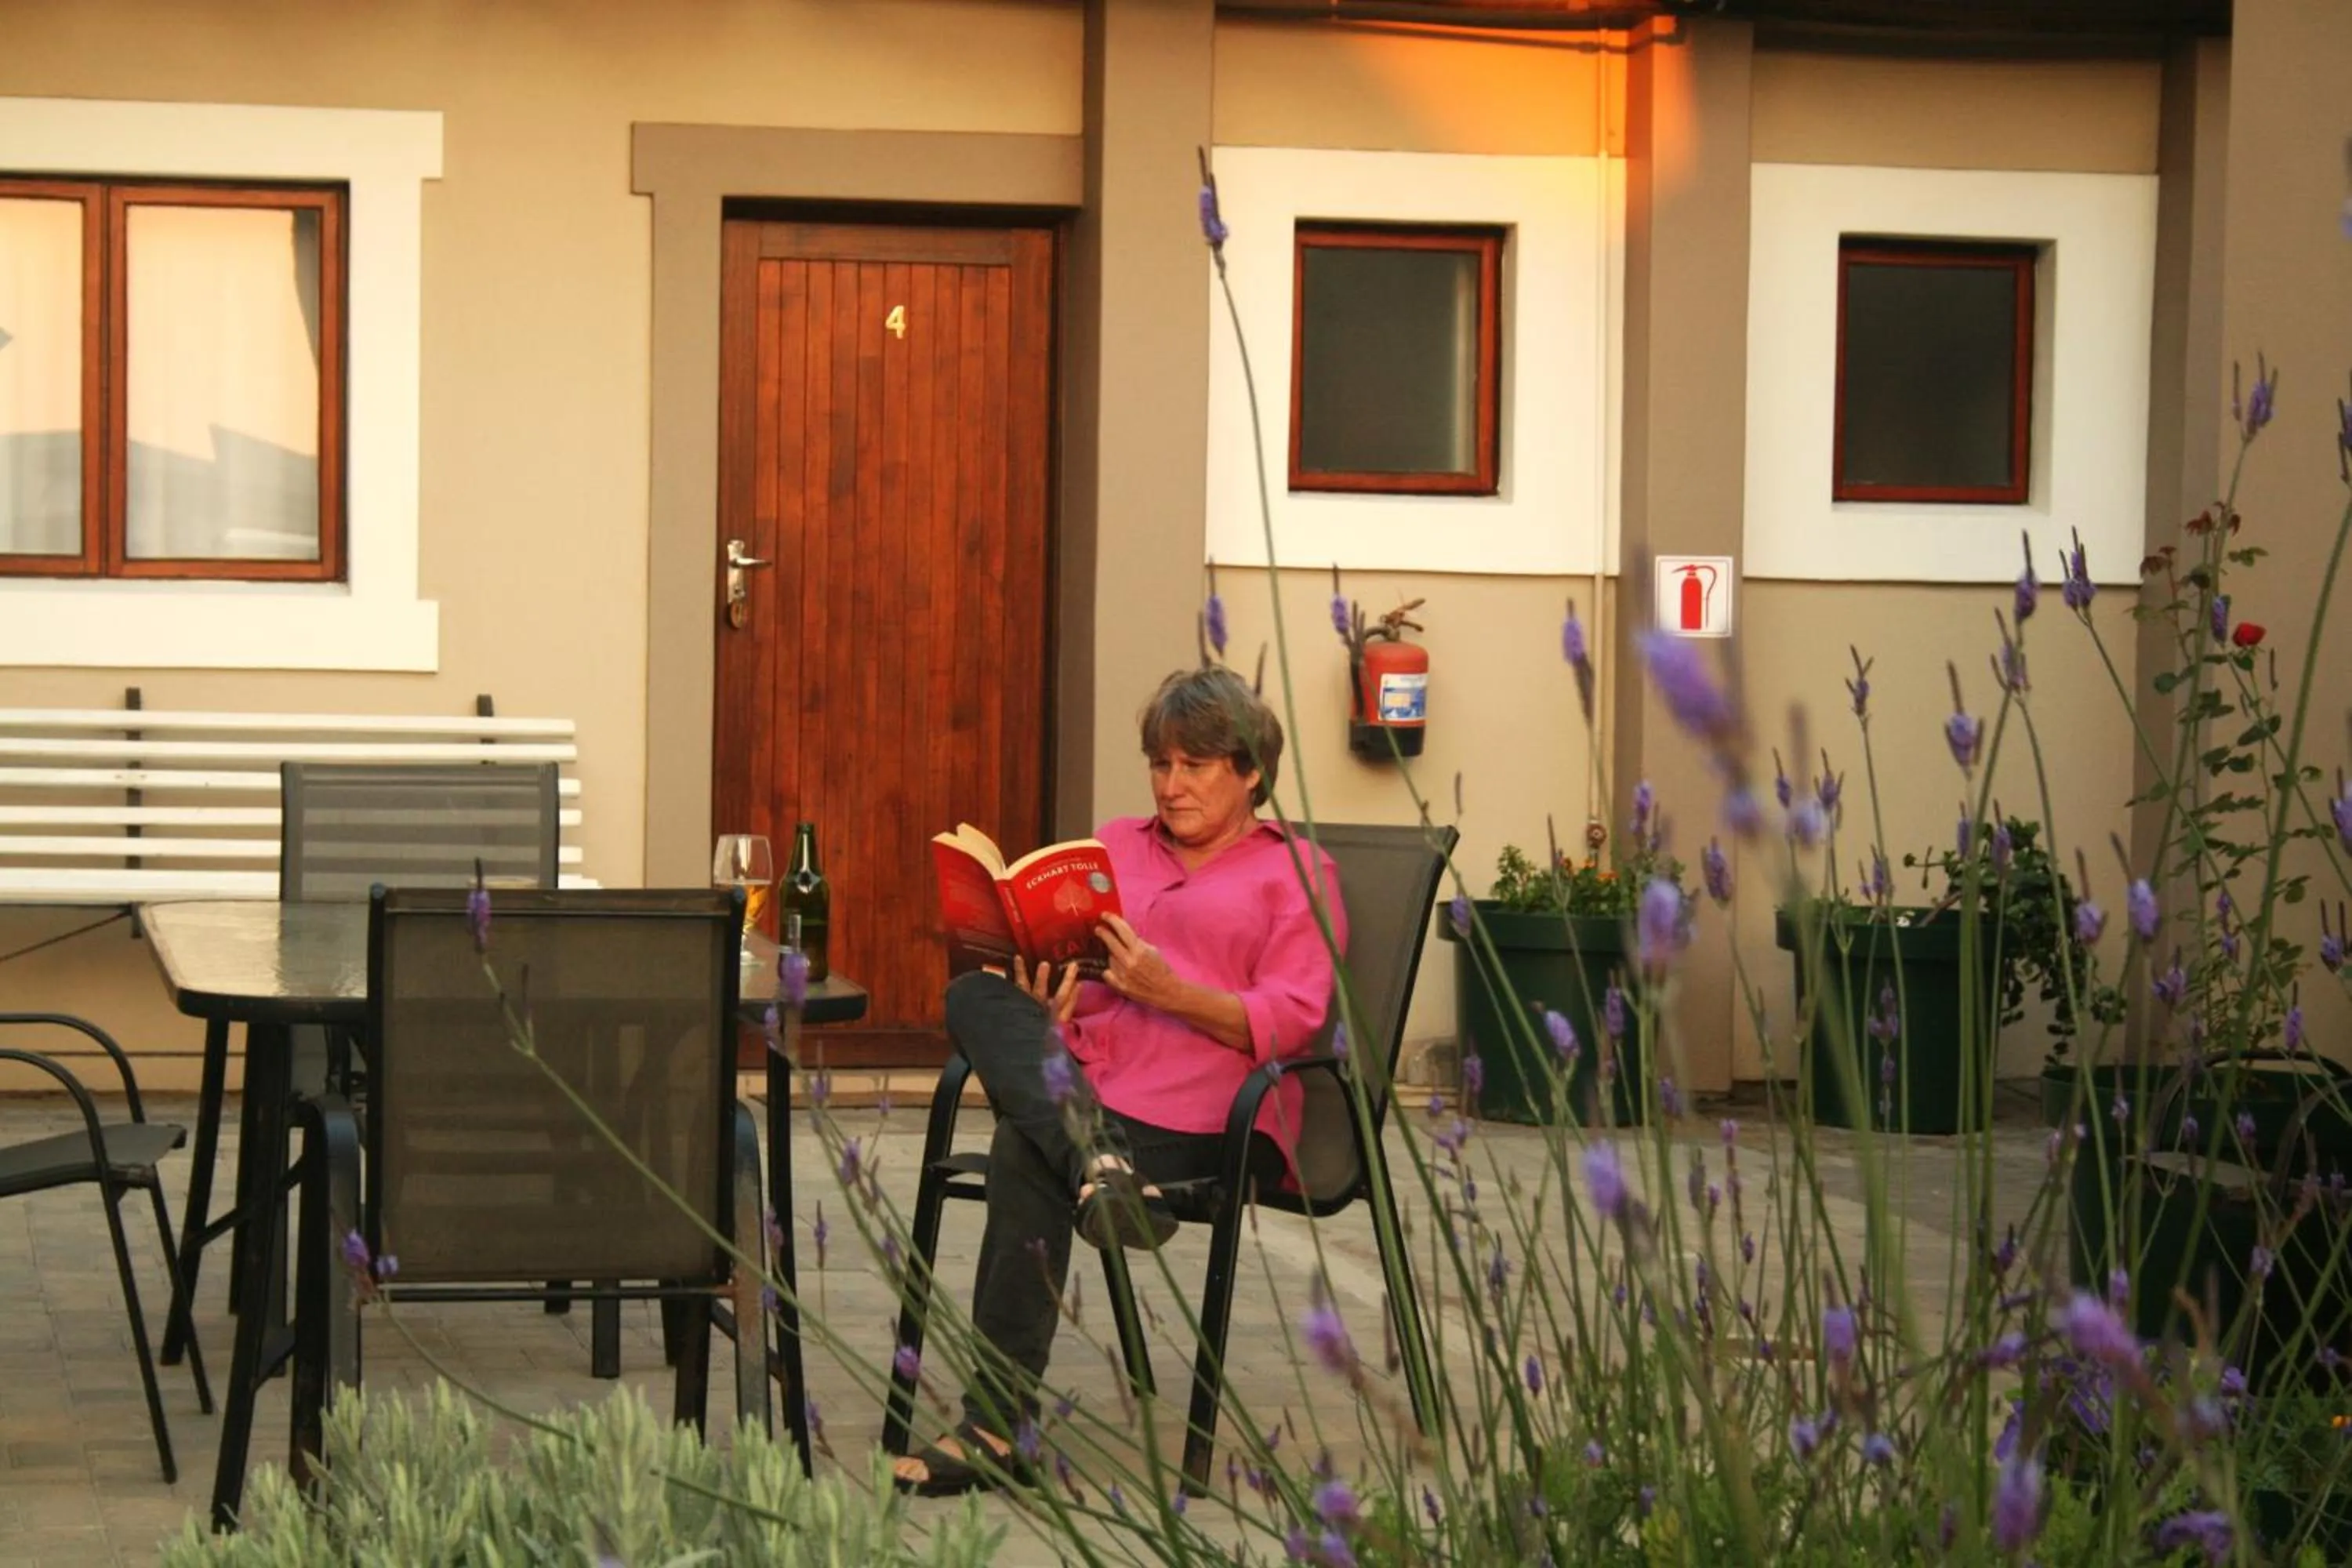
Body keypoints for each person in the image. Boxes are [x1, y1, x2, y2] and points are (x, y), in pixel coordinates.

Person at [892, 666, 1346, 1497]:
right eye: (1160, 764)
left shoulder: (1297, 873)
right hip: (1093, 1077)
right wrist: (1050, 997)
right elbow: (1085, 979)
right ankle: (1099, 1161)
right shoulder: (1116, 845)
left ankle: (997, 1424)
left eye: (1194, 767)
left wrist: (1170, 991)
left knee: (1025, 1145)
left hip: (1212, 1110)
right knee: (972, 995)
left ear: (1250, 772)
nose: (1170, 786)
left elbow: (1295, 1015)